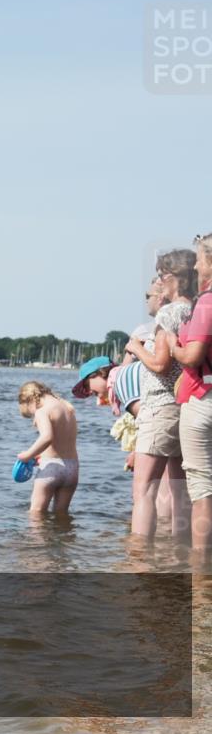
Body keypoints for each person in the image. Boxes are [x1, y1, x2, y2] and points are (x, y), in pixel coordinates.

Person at [124, 249, 197, 537]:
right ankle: (182, 553)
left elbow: (161, 365)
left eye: (161, 275)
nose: (158, 281)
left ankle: (139, 557)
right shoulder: (196, 309)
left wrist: (136, 347)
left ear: (174, 278)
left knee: (144, 490)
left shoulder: (169, 313)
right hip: (185, 406)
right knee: (180, 492)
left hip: (160, 406)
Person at [167, 233, 212, 553]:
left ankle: (201, 566)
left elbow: (193, 356)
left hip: (203, 396)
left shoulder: (207, 302)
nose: (196, 266)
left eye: (199, 259)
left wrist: (172, 344)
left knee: (202, 488)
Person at [17, 382, 79, 514]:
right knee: (61, 515)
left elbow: (47, 437)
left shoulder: (42, 411)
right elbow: (60, 442)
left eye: (31, 413)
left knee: (36, 514)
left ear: (30, 400)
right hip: (72, 469)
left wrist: (27, 455)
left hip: (51, 468)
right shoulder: (67, 408)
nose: (34, 416)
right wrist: (39, 455)